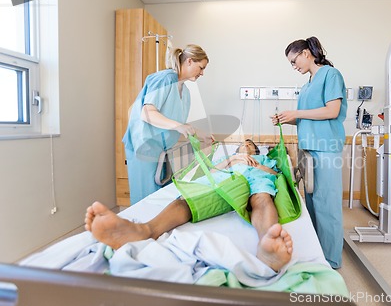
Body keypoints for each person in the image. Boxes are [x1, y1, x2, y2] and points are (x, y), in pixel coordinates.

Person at [85, 139, 294, 272]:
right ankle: (144, 230)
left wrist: (259, 165)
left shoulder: (264, 159)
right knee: (188, 201)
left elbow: (277, 176)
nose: (245, 146)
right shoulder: (230, 159)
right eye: (242, 145)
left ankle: (267, 244)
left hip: (256, 177)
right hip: (227, 178)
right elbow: (210, 174)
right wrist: (232, 161)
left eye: (249, 145)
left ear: (256, 149)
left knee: (262, 200)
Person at [270, 37, 347, 269]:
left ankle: (331, 259)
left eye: (294, 61)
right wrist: (288, 119)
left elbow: (332, 111)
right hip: (309, 149)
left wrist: (297, 113)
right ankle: (317, 252)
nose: (294, 66)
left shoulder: (330, 75)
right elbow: (308, 119)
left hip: (325, 147)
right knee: (313, 203)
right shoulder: (307, 84)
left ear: (306, 53)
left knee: (328, 205)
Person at [123, 44, 213, 205]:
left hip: (160, 150)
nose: (203, 73)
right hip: (143, 146)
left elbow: (176, 121)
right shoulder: (164, 79)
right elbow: (147, 113)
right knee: (147, 201)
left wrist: (201, 134)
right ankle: (138, 228)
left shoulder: (184, 92)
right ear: (190, 61)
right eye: (201, 68)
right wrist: (179, 127)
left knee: (161, 198)